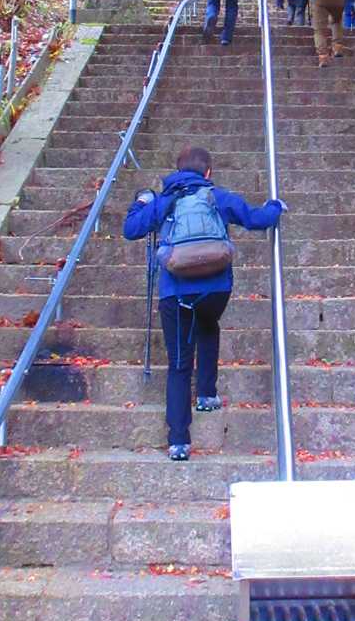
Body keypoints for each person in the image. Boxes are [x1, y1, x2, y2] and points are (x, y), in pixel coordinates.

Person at [123, 146, 286, 460]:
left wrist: (141, 201)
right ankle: (207, 394)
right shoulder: (218, 197)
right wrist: (275, 206)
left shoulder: (164, 201)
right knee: (209, 323)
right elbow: (256, 219)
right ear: (208, 172)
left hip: (176, 293)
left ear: (178, 170)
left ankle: (179, 442)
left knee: (179, 365)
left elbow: (131, 229)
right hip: (215, 289)